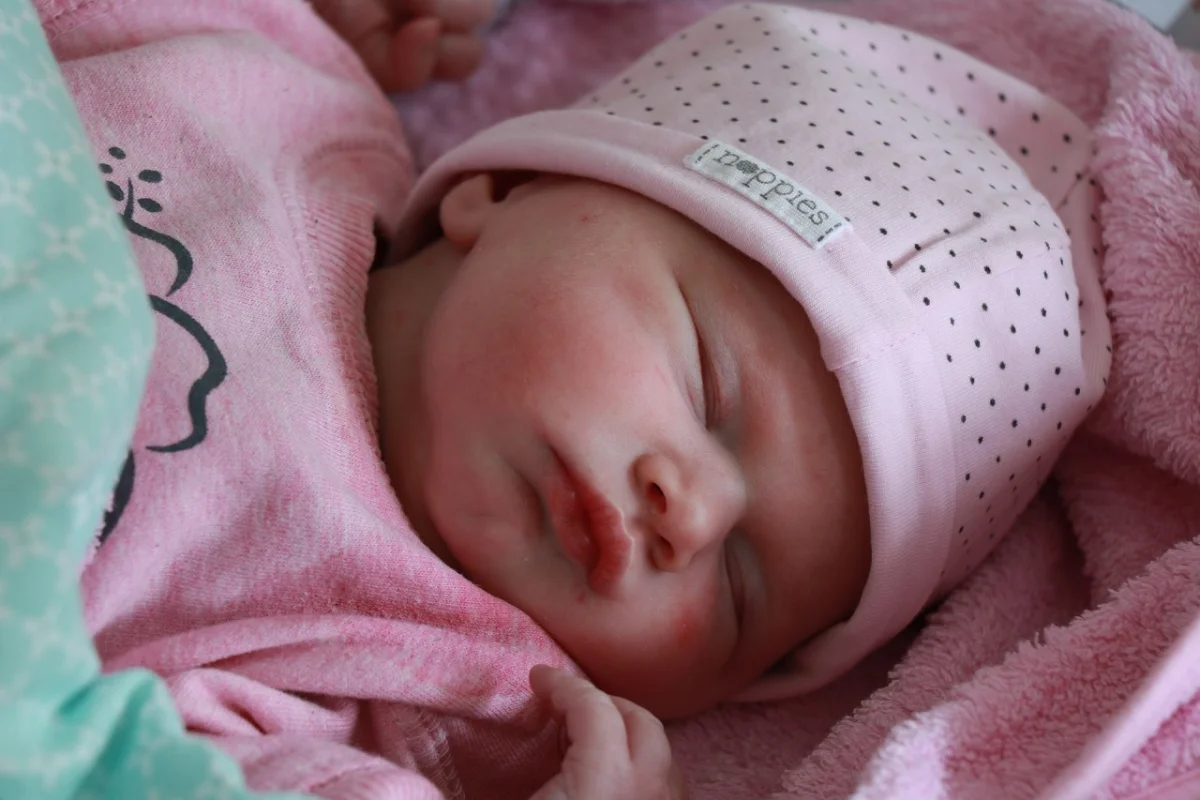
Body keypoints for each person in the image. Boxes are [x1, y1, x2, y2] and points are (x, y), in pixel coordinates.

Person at [36, 0, 1110, 796]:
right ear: (498, 193)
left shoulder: (444, 677)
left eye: (742, 586)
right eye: (708, 384)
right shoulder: (282, 97)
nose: (692, 515)